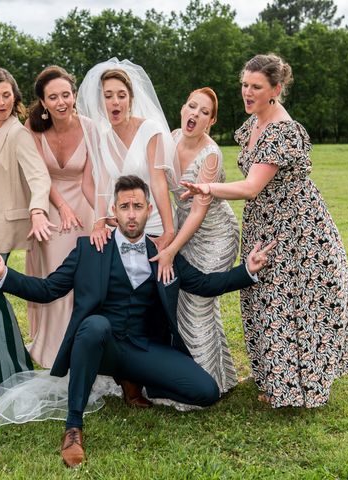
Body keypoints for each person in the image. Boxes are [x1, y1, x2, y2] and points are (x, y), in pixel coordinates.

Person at [0, 175, 275, 467]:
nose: (131, 215)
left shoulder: (163, 252)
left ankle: (136, 382)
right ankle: (73, 427)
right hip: (103, 345)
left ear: (149, 210)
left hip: (144, 348)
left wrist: (246, 270)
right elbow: (48, 289)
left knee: (205, 392)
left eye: (137, 207)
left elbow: (204, 284)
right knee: (95, 325)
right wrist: (4, 273)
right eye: (124, 207)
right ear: (113, 212)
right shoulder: (89, 249)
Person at [181, 54, 348, 408]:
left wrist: (208, 189)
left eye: (256, 87)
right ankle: (272, 378)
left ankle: (298, 385)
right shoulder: (254, 123)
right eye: (245, 84)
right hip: (265, 222)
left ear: (276, 89)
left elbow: (250, 187)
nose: (247, 92)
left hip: (295, 228)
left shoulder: (283, 130)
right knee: (262, 299)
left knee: (291, 302)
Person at [0, 67, 54, 392]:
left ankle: (11, 372)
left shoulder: (18, 133)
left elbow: (39, 177)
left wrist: (37, 210)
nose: (1, 102)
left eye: (7, 95)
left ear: (15, 97)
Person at [151, 87, 240, 395]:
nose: (195, 114)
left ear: (210, 122)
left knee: (197, 304)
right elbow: (160, 183)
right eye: (192, 106)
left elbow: (199, 211)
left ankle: (203, 385)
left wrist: (171, 249)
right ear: (182, 109)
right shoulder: (172, 137)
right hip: (182, 229)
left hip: (215, 234)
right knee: (186, 305)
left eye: (204, 112)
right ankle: (219, 377)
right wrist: (166, 232)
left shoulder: (211, 156)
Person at [24, 66, 100, 368]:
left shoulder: (91, 128)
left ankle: (82, 345)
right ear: (43, 102)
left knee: (85, 278)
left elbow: (91, 180)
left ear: (74, 95)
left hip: (84, 206)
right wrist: (61, 206)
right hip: (50, 209)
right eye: (53, 97)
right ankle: (53, 348)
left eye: (65, 95)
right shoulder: (33, 129)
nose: (61, 102)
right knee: (54, 273)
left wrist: (101, 217)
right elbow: (39, 176)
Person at [77, 58, 177, 252]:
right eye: (108, 96)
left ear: (130, 99)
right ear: (101, 101)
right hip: (125, 226)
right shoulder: (103, 139)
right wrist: (99, 223)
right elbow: (103, 187)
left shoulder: (150, 130)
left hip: (155, 222)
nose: (115, 101)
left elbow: (158, 182)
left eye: (121, 95)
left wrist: (169, 231)